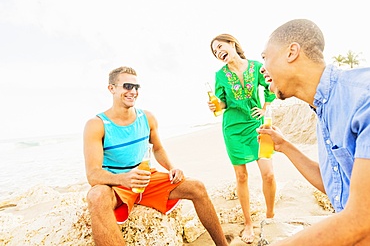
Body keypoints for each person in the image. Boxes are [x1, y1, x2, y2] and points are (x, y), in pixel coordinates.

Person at [83, 66, 230, 246]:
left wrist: (172, 167)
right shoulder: (96, 124)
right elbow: (93, 175)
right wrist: (124, 179)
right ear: (111, 88)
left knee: (197, 187)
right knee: (96, 195)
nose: (133, 91)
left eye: (136, 87)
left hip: (146, 180)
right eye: (127, 86)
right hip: (117, 185)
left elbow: (158, 148)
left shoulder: (147, 118)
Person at [258, 18, 370, 245]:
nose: (262, 68)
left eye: (265, 57)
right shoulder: (324, 110)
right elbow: (336, 185)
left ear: (292, 52)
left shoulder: (362, 97)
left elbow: (362, 219)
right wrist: (284, 146)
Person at [208, 34, 277, 244]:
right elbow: (222, 105)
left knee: (269, 174)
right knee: (242, 177)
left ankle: (270, 215)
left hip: (259, 125)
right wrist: (215, 107)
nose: (219, 52)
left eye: (220, 46)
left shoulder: (256, 66)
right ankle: (248, 223)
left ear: (232, 43)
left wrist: (264, 107)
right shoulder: (220, 75)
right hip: (233, 130)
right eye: (215, 51)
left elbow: (270, 86)